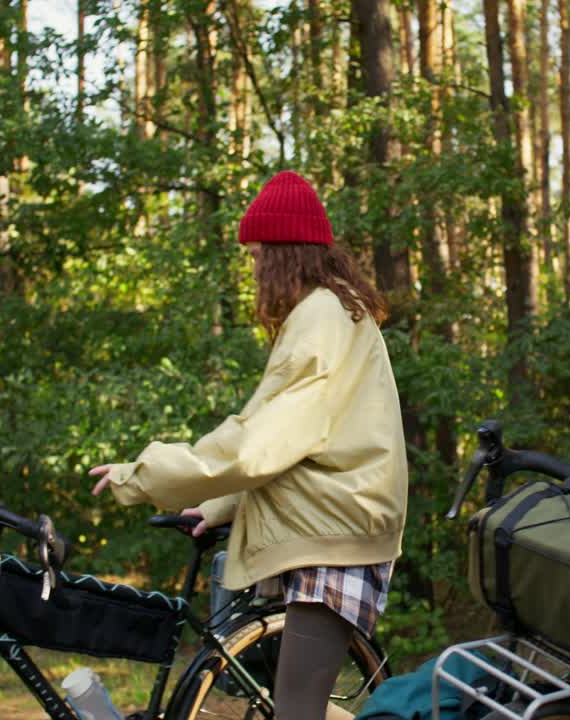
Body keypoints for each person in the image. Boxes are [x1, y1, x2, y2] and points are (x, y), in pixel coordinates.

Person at [90, 170, 409, 720]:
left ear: (284, 255)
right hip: (332, 527)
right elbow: (304, 446)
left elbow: (253, 446)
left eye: (260, 254)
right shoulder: (333, 311)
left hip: (334, 540)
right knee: (287, 705)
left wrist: (140, 475)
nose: (256, 268)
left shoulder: (319, 321)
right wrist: (220, 505)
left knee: (295, 712)